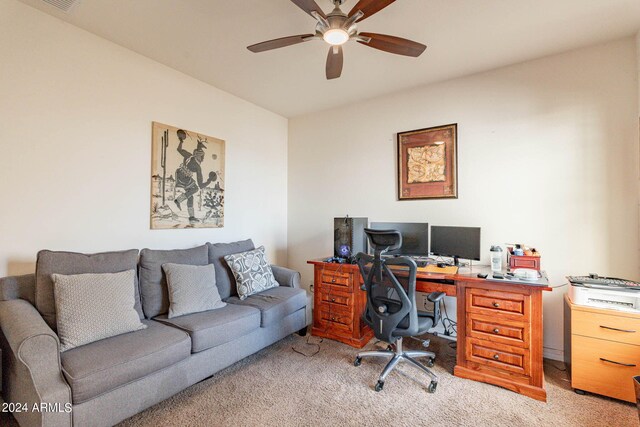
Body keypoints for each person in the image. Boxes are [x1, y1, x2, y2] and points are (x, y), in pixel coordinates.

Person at [173, 131, 216, 223]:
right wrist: (209, 180)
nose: (203, 159)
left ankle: (191, 217)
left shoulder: (189, 155)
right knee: (195, 188)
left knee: (190, 196)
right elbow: (201, 185)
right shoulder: (197, 167)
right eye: (202, 157)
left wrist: (181, 141)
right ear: (199, 156)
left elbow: (179, 149)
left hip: (180, 175)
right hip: (184, 178)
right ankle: (178, 200)